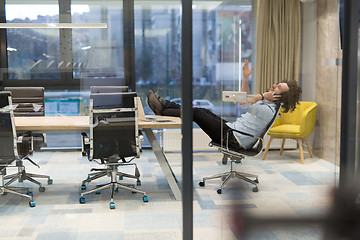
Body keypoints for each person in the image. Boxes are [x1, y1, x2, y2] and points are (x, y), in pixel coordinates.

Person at [147, 60, 302, 150]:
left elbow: (244, 103)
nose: (274, 85)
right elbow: (246, 98)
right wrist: (246, 78)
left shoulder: (268, 110)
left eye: (278, 88)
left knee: (197, 114)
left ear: (281, 96)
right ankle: (164, 105)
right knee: (201, 110)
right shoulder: (266, 105)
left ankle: (162, 109)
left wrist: (261, 95)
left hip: (235, 139)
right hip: (232, 130)